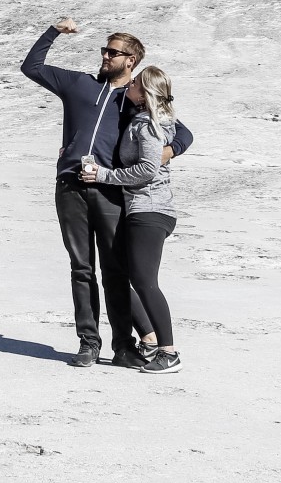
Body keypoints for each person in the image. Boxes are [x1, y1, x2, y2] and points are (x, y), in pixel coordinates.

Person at [22, 19, 192, 368]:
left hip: (111, 190)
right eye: (105, 49)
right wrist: (53, 31)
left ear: (131, 60)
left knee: (115, 271)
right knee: (81, 267)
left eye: (113, 52)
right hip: (70, 186)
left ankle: (124, 346)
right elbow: (32, 66)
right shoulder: (78, 84)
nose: (105, 55)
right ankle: (88, 342)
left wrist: (167, 152)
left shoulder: (134, 98)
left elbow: (184, 133)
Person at [83, 65, 182, 373]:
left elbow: (147, 169)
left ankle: (169, 352)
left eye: (135, 83)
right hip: (142, 209)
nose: (130, 85)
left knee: (143, 281)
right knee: (122, 276)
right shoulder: (146, 119)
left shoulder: (148, 124)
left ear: (145, 93)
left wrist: (103, 174)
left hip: (150, 209)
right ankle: (150, 341)